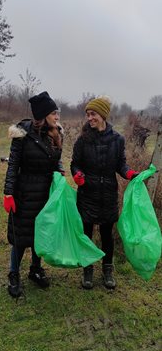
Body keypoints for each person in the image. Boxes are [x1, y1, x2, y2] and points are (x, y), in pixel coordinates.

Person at [70, 96, 138, 290]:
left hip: (108, 193)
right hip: (88, 194)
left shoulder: (118, 139)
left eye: (93, 114)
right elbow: (75, 163)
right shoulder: (82, 140)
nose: (89, 118)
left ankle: (108, 269)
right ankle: (87, 269)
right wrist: (78, 174)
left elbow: (121, 164)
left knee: (107, 235)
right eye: (88, 115)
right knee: (87, 233)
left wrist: (129, 173)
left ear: (103, 115)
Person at [3, 91, 64, 298]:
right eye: (54, 113)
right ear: (44, 114)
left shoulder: (56, 133)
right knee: (20, 237)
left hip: (46, 194)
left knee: (40, 235)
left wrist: (61, 172)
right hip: (24, 193)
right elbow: (12, 165)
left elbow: (57, 160)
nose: (57, 117)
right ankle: (14, 274)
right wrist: (8, 193)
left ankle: (35, 270)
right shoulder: (22, 134)